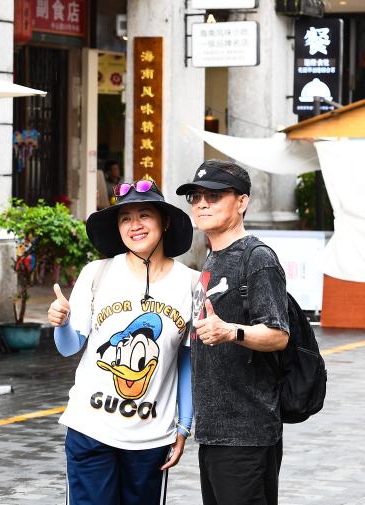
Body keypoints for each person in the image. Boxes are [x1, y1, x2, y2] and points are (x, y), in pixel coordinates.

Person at [48, 179, 198, 505]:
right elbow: (70, 346)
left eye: (144, 215)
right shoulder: (97, 273)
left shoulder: (190, 284)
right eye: (125, 218)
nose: (135, 226)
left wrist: (184, 425)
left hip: (151, 439)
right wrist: (60, 323)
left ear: (165, 221)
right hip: (91, 430)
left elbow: (186, 360)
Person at [176, 159, 289, 505]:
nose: (202, 204)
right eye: (195, 197)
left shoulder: (256, 258)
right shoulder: (211, 259)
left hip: (247, 434)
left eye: (214, 195)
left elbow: (278, 334)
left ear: (241, 202)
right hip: (213, 433)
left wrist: (231, 332)